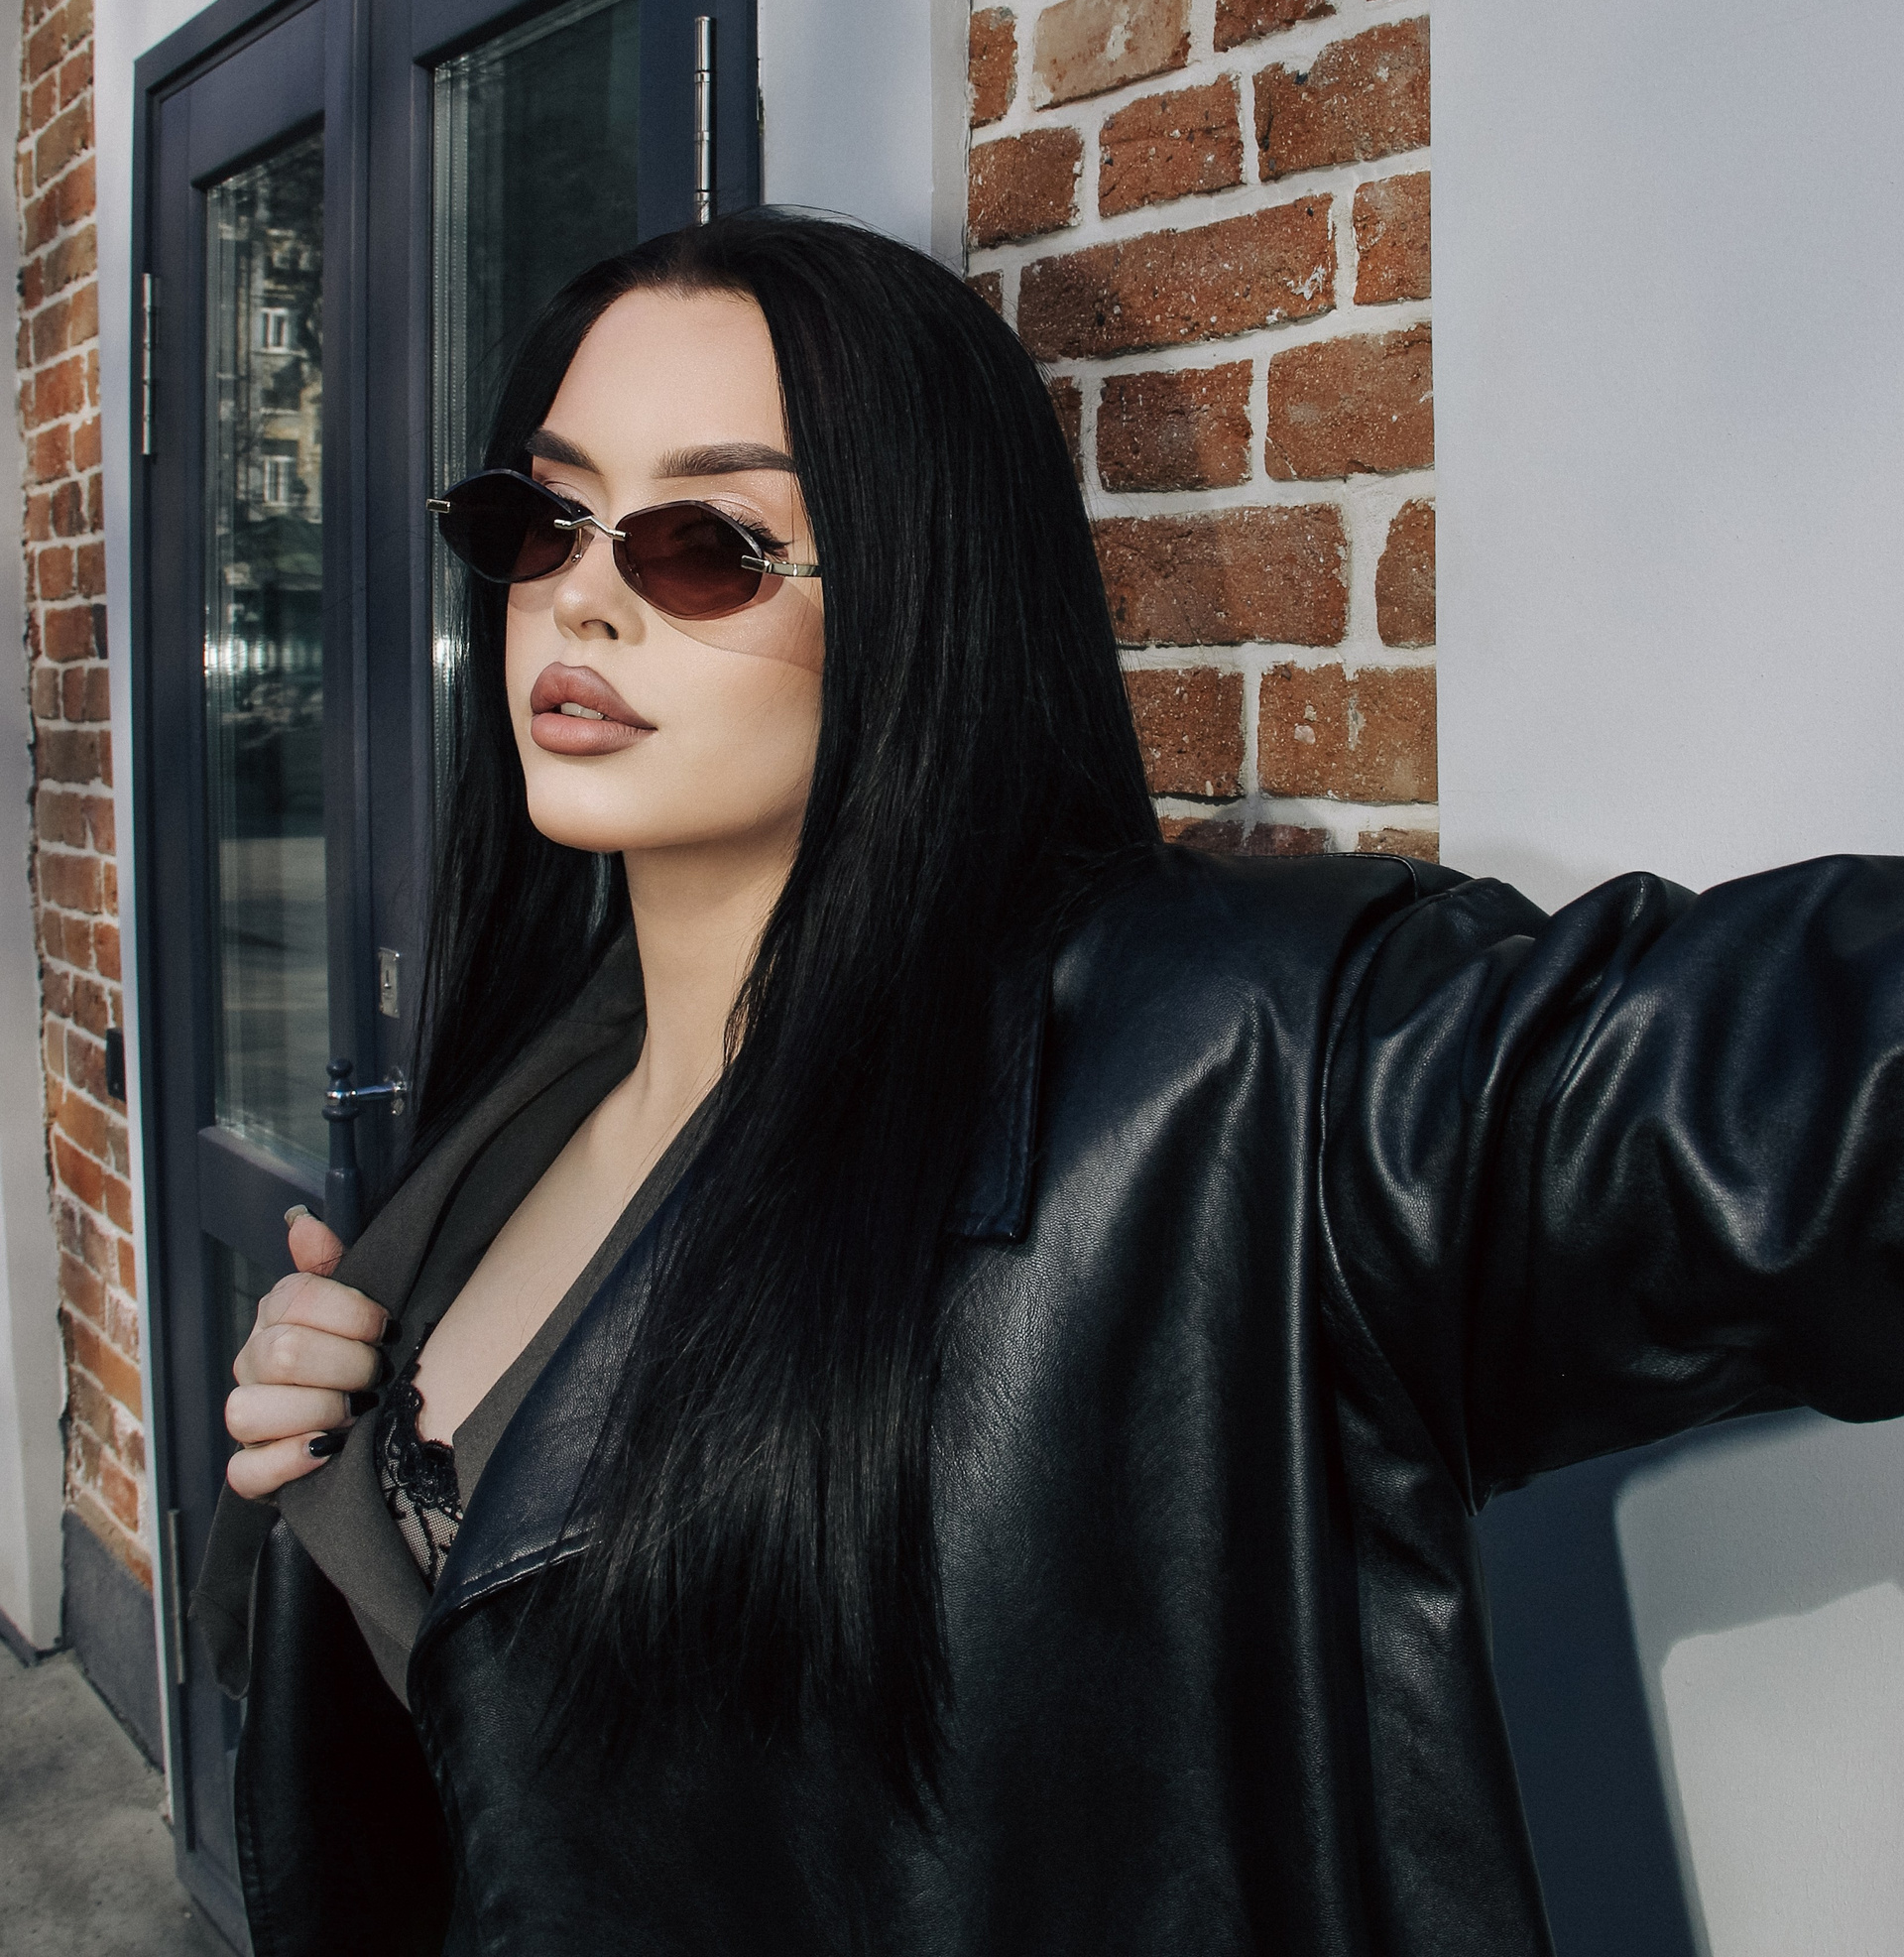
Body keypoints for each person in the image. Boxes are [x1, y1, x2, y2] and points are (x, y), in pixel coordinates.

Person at [193, 210, 1904, 1957]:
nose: (581, 593)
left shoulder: (1227, 1074)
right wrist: (326, 1453)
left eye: (705, 543)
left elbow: (1797, 1094)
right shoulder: (520, 1108)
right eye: (541, 518)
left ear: (920, 595)